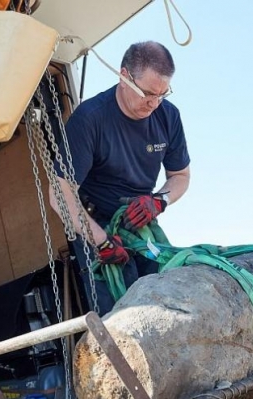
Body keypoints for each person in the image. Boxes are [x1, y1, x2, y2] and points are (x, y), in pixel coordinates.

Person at [50, 40, 191, 315]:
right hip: (95, 223)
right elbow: (59, 195)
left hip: (141, 217)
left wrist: (158, 201)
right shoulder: (90, 119)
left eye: (163, 94)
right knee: (121, 313)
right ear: (124, 76)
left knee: (169, 292)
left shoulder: (168, 116)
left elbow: (181, 176)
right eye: (148, 93)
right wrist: (101, 239)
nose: (154, 103)